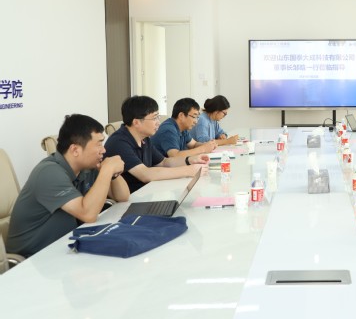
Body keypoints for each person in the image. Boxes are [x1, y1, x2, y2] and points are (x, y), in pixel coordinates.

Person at [6, 114, 129, 257]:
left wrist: (112, 173)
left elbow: (122, 196)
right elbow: (88, 214)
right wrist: (107, 170)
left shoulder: (86, 167)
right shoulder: (49, 172)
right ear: (75, 150)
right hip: (32, 259)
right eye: (99, 144)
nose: (104, 150)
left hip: (65, 246)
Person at [104, 96, 208, 193]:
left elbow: (164, 162)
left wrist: (190, 160)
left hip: (146, 192)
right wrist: (188, 170)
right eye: (154, 118)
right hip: (129, 199)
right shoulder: (119, 142)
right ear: (136, 122)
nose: (158, 122)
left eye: (158, 117)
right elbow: (145, 174)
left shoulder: (145, 139)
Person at [151, 97, 218, 157]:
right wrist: (202, 149)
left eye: (197, 117)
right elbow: (175, 155)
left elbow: (193, 144)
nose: (196, 121)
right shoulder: (168, 129)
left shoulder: (182, 128)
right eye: (194, 117)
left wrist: (207, 145)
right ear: (181, 116)